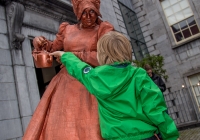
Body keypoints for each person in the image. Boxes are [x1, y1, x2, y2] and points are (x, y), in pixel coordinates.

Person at [50, 31, 180, 140]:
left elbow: (80, 69)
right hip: (146, 136)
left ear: (101, 54)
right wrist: (171, 136)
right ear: (127, 51)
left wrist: (65, 56)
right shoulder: (138, 75)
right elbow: (156, 109)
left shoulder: (95, 77)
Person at [23, 0, 114, 139]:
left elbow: (107, 57)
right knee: (63, 125)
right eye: (84, 12)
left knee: (92, 126)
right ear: (77, 13)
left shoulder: (104, 29)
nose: (88, 16)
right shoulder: (67, 29)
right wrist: (40, 42)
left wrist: (71, 56)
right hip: (65, 84)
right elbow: (53, 48)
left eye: (92, 12)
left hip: (91, 82)